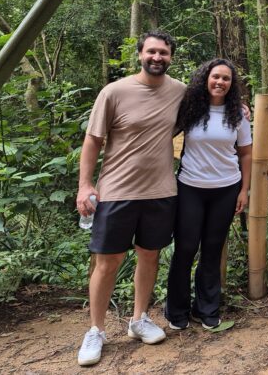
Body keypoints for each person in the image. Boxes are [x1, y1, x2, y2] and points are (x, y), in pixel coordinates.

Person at [75, 31, 186, 366]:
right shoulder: (114, 92)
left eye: (163, 52)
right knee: (108, 262)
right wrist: (85, 185)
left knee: (150, 256)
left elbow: (211, 100)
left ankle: (139, 319)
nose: (157, 57)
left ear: (170, 56)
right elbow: (93, 140)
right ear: (140, 54)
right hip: (117, 191)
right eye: (151, 51)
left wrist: (239, 107)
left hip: (161, 191)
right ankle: (96, 330)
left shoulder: (179, 91)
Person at [165, 59, 252, 330]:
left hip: (226, 189)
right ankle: (177, 310)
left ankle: (207, 309)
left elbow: (246, 153)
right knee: (185, 248)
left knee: (213, 250)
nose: (220, 82)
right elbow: (162, 131)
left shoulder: (237, 114)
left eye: (226, 78)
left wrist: (244, 190)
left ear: (232, 84)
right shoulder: (190, 109)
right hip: (190, 187)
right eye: (216, 77)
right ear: (205, 79)